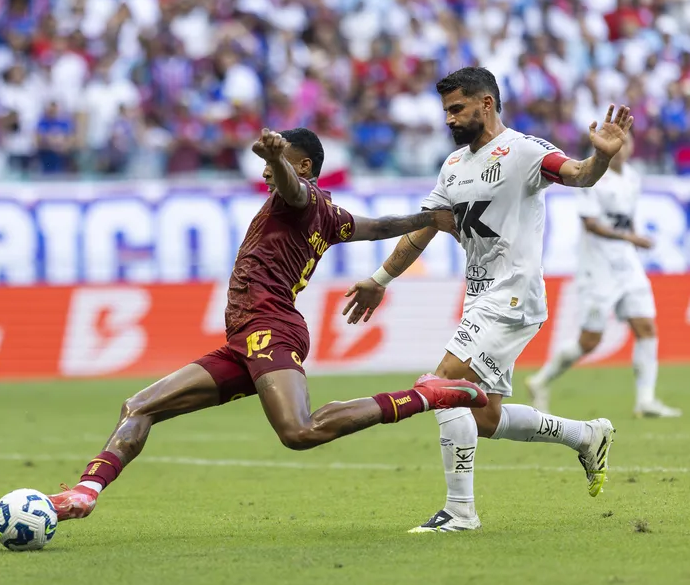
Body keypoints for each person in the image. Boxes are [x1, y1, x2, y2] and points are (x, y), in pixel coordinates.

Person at [47, 127, 489, 522]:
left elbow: (296, 190)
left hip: (270, 327)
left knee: (299, 431)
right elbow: (379, 227)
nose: (263, 174)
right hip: (245, 338)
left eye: (273, 166)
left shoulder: (298, 199)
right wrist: (430, 218)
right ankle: (85, 493)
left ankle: (422, 396)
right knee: (139, 406)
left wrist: (276, 158)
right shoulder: (332, 217)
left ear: (303, 166)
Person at [342, 67, 632, 533]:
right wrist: (380, 279)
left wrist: (599, 159)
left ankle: (460, 513)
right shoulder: (453, 166)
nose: (450, 119)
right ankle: (586, 435)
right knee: (482, 416)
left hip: (512, 296)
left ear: (487, 104)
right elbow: (425, 228)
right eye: (446, 111)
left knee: (443, 387)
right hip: (480, 298)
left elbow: (578, 175)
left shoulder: (524, 151)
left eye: (457, 108)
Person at [527, 132, 680, 418]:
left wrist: (632, 239)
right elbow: (591, 224)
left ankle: (645, 401)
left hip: (627, 265)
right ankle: (540, 381)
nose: (621, 150)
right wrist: (631, 239)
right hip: (597, 269)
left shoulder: (632, 177)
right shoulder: (593, 178)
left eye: (626, 144)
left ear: (632, 147)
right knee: (589, 342)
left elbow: (626, 219)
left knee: (646, 326)